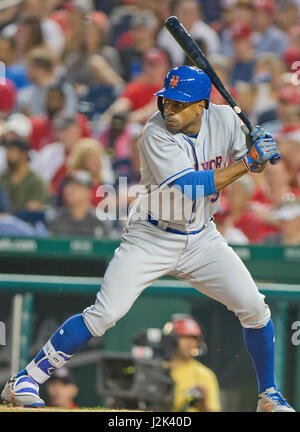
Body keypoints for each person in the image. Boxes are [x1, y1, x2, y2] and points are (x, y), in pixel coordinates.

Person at [1, 65, 295, 412]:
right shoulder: (154, 132)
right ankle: (26, 379)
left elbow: (245, 163)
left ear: (201, 105)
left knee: (256, 309)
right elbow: (191, 186)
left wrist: (257, 154)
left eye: (178, 104)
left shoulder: (226, 120)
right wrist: (250, 162)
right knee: (104, 315)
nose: (168, 110)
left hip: (202, 237)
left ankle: (269, 396)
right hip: (152, 236)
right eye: (166, 102)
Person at [163, 315, 221, 412]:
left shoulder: (205, 375)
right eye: (184, 337)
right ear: (172, 340)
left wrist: (202, 404)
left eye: (194, 338)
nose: (190, 343)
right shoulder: (156, 368)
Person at [47, 170, 109, 238]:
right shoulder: (56, 221)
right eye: (67, 185)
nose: (70, 189)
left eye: (77, 186)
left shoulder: (99, 223)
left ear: (89, 192)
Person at [0, 136, 47, 214]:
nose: (7, 155)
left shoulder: (36, 181)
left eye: (12, 150)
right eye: (7, 151)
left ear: (24, 154)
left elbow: (34, 207)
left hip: (27, 223)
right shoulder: (2, 178)